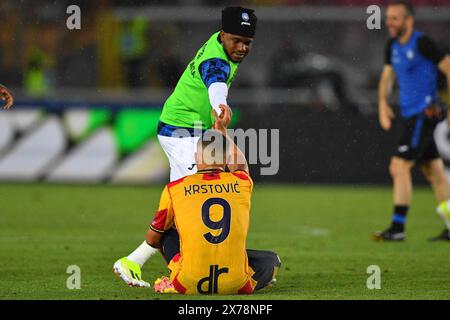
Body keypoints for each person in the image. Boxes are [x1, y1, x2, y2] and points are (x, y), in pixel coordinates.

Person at [113, 6, 258, 287]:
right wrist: (220, 106)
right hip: (181, 133)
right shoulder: (217, 60)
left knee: (182, 206)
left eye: (247, 43)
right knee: (193, 201)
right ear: (224, 35)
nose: (241, 47)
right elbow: (216, 82)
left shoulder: (219, 44)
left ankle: (135, 261)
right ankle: (175, 268)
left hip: (190, 131)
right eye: (236, 40)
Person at [115, 107, 280, 294]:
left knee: (166, 230)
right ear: (225, 159)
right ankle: (233, 279)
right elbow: (240, 165)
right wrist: (222, 131)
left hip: (187, 283)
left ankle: (174, 277)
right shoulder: (241, 183)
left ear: (196, 157)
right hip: (235, 285)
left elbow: (153, 239)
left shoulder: (174, 189)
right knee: (272, 261)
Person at [374, 1, 450, 242]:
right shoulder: (392, 45)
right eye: (388, 18)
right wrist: (383, 105)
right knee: (434, 171)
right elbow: (387, 77)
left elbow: (449, 68)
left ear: (408, 20)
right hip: (410, 114)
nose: (389, 22)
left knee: (399, 167)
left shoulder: (423, 43)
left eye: (395, 18)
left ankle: (397, 228)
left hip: (424, 112)